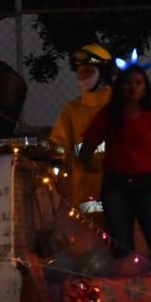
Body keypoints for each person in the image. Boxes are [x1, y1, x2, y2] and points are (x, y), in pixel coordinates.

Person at [79, 62, 151, 258]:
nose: (133, 87)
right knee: (121, 245)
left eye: (138, 82)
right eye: (128, 83)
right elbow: (87, 146)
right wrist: (89, 165)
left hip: (149, 186)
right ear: (119, 87)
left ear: (145, 89)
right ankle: (127, 284)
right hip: (117, 187)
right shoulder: (108, 116)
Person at [50, 43, 113, 219]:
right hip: (86, 191)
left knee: (121, 238)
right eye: (79, 72)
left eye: (88, 72)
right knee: (91, 238)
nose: (82, 78)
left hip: (119, 189)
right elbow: (58, 144)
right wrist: (55, 159)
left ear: (103, 74)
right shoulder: (72, 110)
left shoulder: (119, 105)